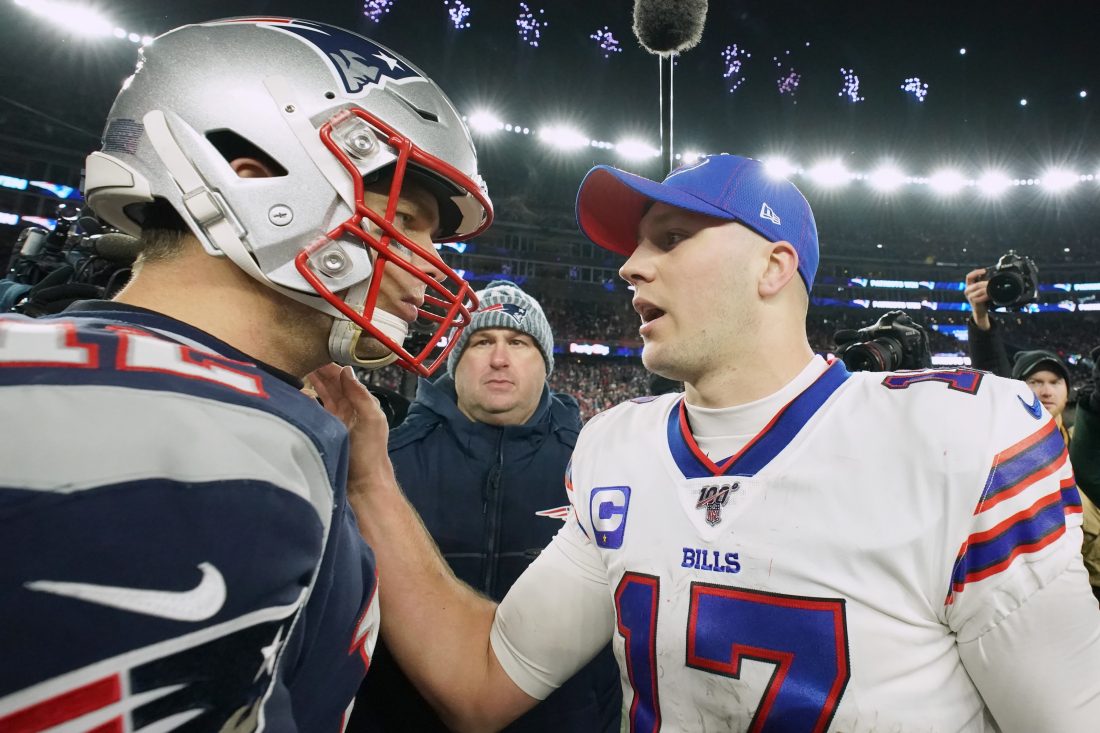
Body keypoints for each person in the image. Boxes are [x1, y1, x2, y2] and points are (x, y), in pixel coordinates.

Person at [319, 153, 1100, 732]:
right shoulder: (617, 446)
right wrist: (372, 480)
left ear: (772, 266)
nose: (629, 266)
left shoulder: (956, 436)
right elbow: (486, 678)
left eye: (669, 238)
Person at [0, 17, 491, 730]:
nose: (431, 264)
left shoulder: (250, 409)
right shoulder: (201, 443)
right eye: (408, 219)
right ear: (254, 175)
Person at [351, 280, 620, 732]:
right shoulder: (380, 464)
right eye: (481, 342)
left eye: (518, 342)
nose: (499, 358)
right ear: (455, 362)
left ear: (546, 364)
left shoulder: (601, 469)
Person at [966, 271, 1100, 603]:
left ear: (1068, 392)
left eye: (1055, 382)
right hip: (1022, 590)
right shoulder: (1006, 433)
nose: (1045, 389)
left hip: (1087, 582)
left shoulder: (1075, 441)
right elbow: (992, 372)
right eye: (1035, 381)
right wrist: (981, 318)